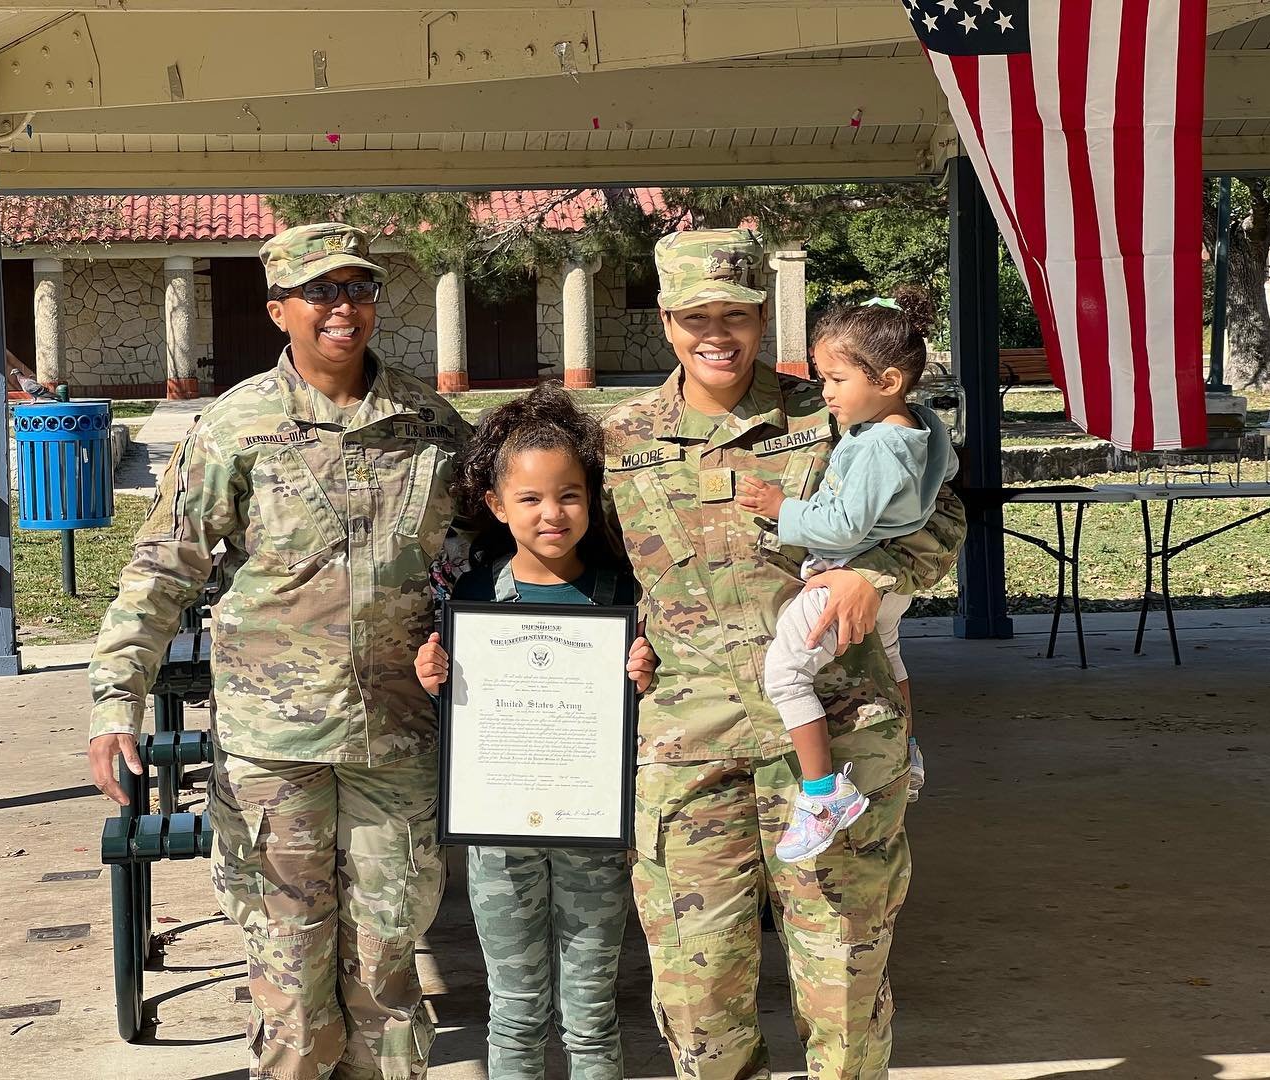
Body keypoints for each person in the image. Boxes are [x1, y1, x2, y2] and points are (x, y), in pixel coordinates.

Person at [86, 222, 471, 1080]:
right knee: (291, 981)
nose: (345, 308)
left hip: (395, 741)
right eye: (322, 292)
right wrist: (116, 702)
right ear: (280, 310)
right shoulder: (235, 428)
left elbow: (487, 559)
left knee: (385, 971)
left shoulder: (430, 424)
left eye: (359, 289)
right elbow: (161, 571)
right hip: (274, 747)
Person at [598, 229, 966, 1080]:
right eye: (697, 316)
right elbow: (591, 566)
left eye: (736, 313)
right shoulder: (622, 438)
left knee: (844, 981)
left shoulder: (836, 411)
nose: (716, 333)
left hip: (834, 738)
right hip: (687, 747)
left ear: (764, 317)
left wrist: (879, 572)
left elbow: (943, 517)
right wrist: (612, 647)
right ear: (666, 320)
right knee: (699, 998)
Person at [413, 383, 656, 1080]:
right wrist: (439, 681)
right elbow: (468, 721)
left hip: (592, 836)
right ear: (496, 505)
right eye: (530, 499)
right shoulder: (475, 600)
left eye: (570, 495)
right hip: (500, 839)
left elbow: (642, 712)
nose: (553, 514)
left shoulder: (621, 595)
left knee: (590, 1010)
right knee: (515, 1010)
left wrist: (644, 673)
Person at [736, 299, 959, 863]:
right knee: (891, 656)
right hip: (889, 585)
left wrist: (782, 507)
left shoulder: (879, 445)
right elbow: (947, 472)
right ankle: (907, 752)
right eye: (822, 379)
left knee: (786, 673)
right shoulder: (919, 426)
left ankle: (821, 796)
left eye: (836, 379)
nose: (826, 392)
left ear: (886, 381)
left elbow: (841, 526)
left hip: (843, 580)